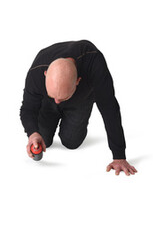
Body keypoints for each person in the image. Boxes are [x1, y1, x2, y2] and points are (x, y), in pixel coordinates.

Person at [20, 40, 137, 176]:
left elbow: (109, 108)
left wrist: (119, 156)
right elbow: (28, 108)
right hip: (47, 103)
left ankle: (70, 106)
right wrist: (32, 132)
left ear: (77, 81)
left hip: (81, 99)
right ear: (45, 74)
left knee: (72, 142)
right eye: (54, 96)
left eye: (61, 98)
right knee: (43, 139)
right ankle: (53, 103)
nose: (57, 101)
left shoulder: (94, 62)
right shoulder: (37, 70)